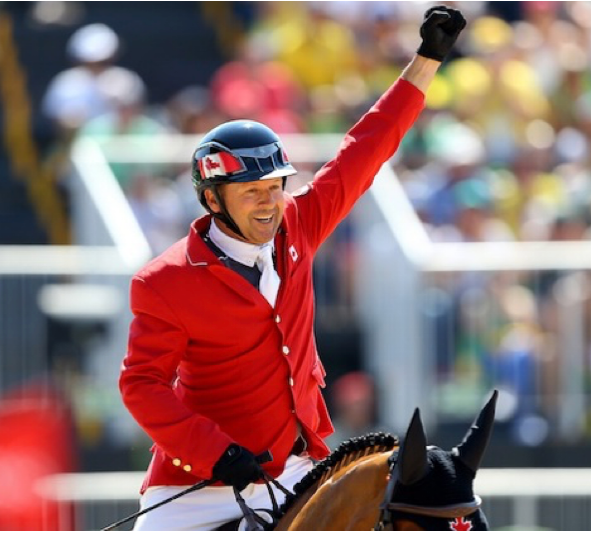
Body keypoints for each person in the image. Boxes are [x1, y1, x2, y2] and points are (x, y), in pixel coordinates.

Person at [119, 6, 467, 530]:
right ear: (213, 199)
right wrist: (214, 452)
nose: (269, 203)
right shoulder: (163, 281)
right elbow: (141, 386)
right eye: (251, 192)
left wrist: (426, 60)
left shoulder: (298, 225)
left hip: (298, 472)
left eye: (275, 188)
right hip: (201, 488)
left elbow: (363, 151)